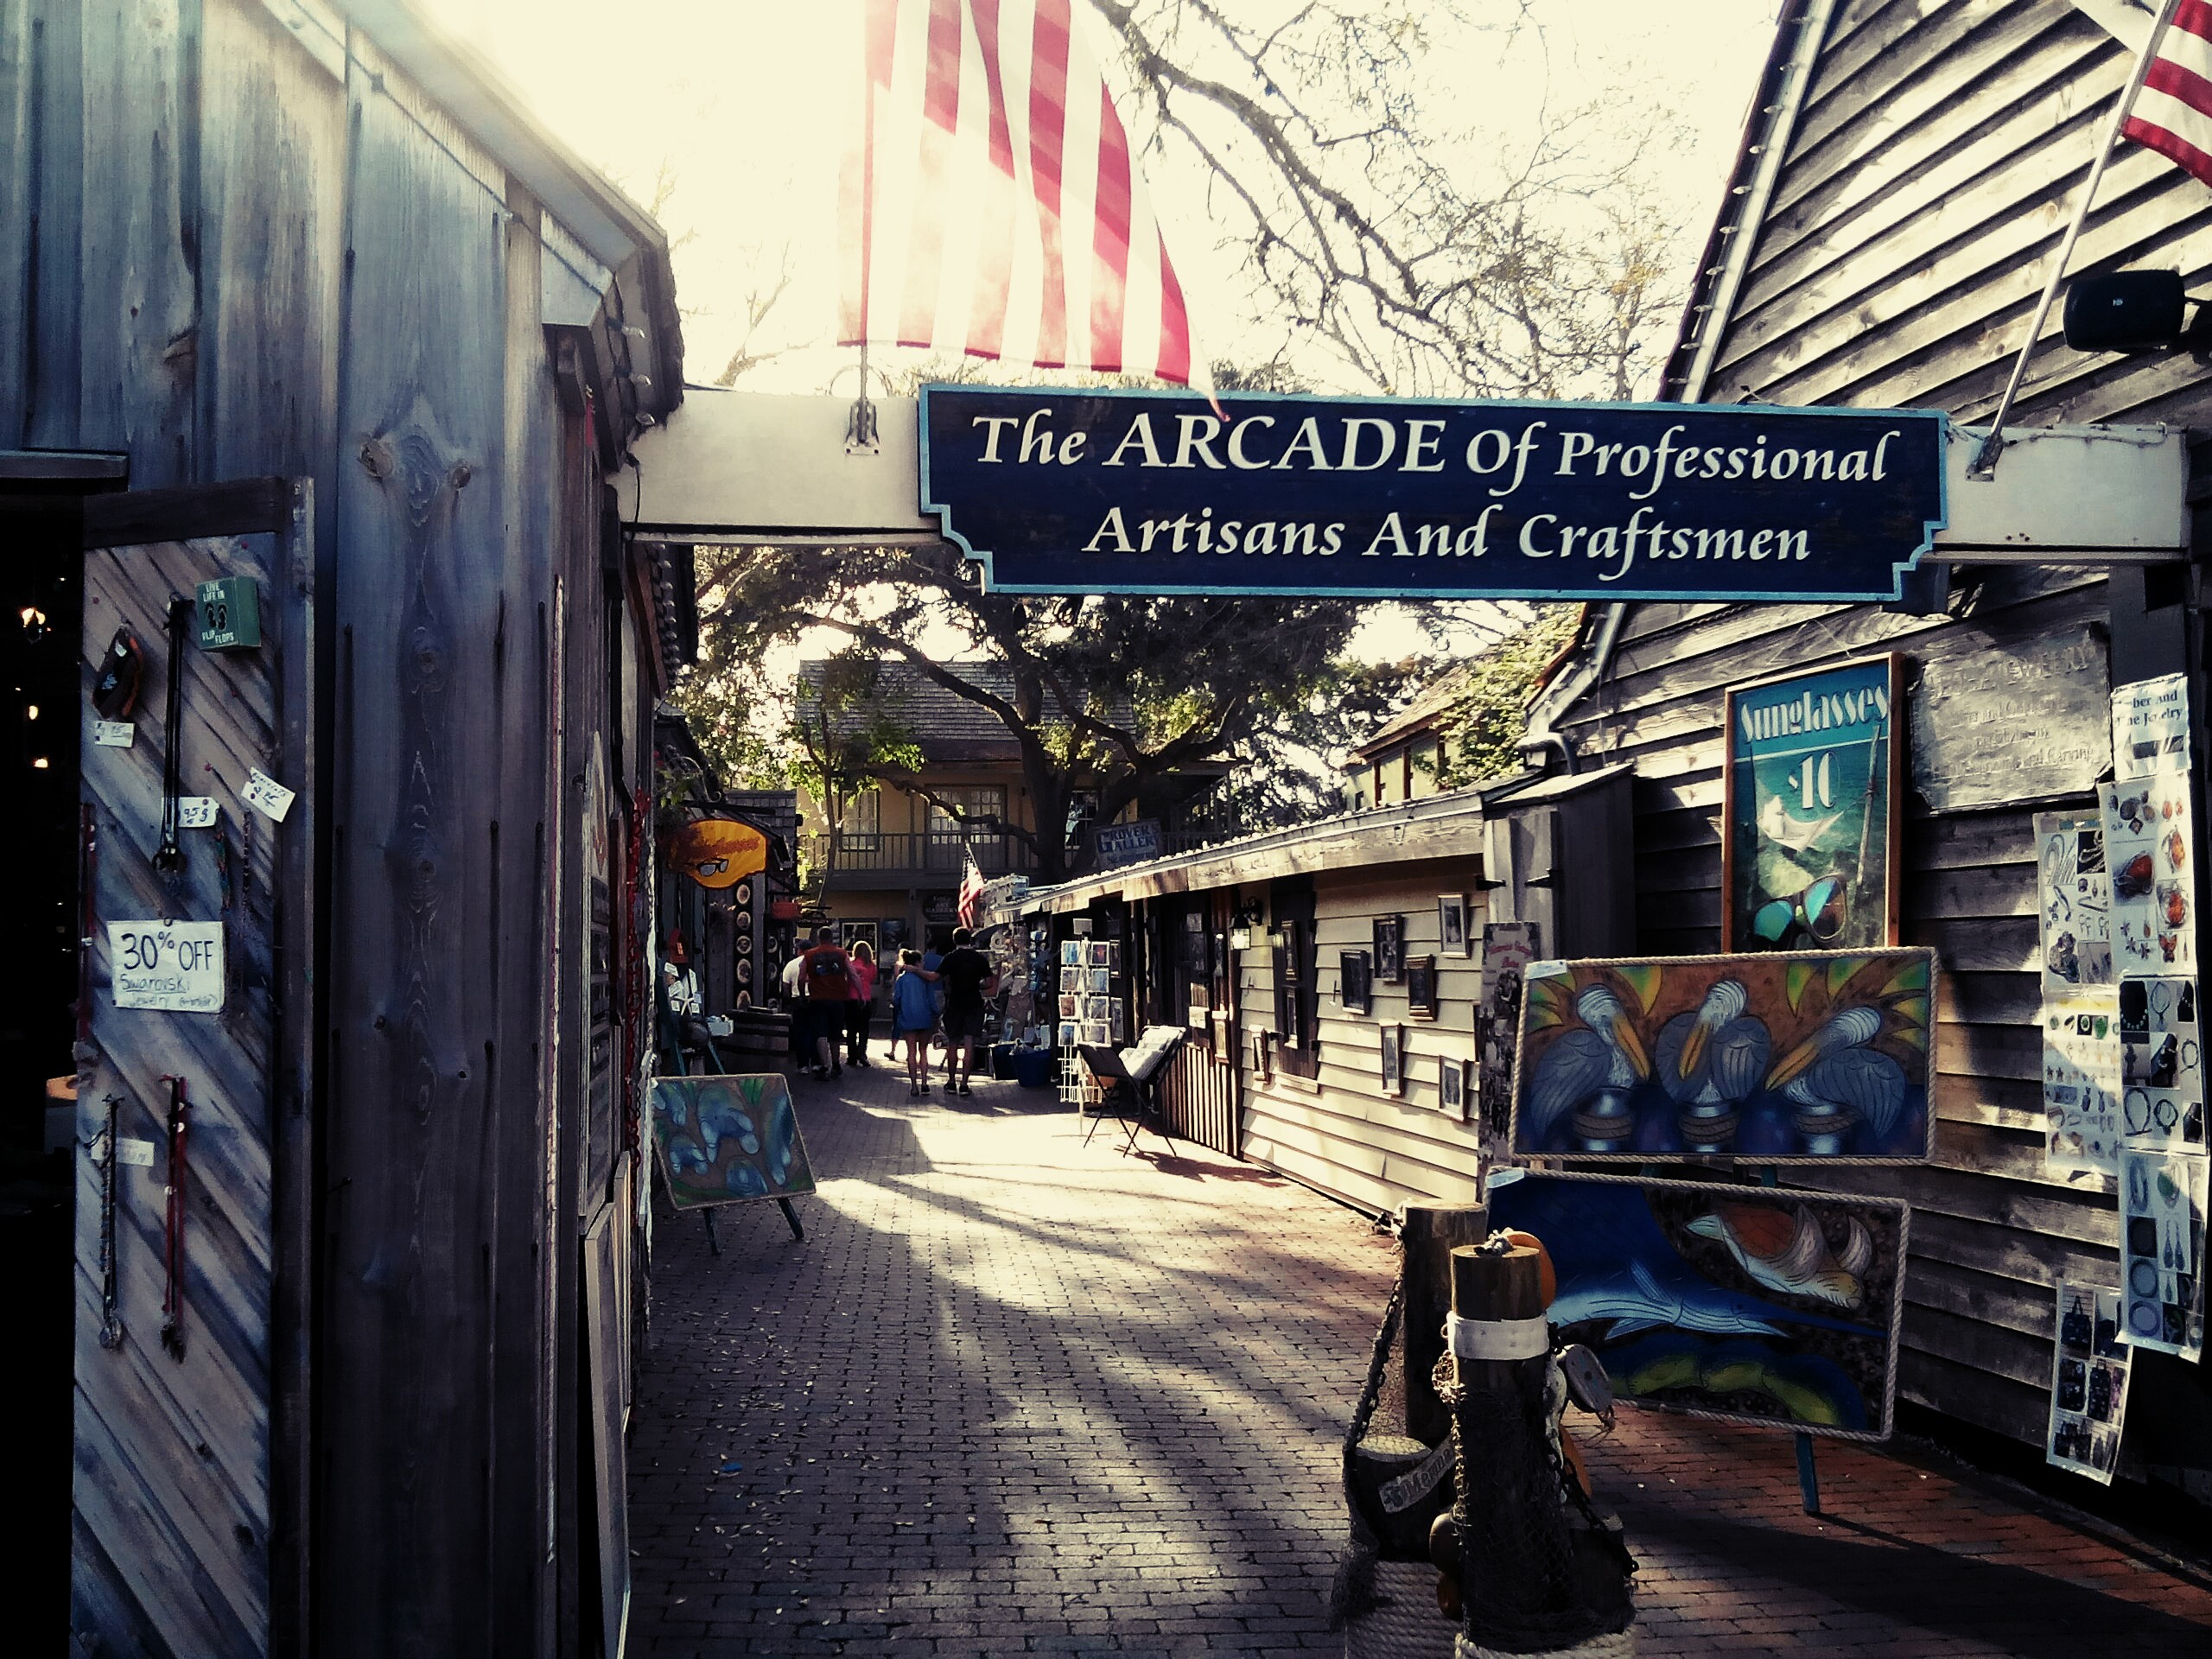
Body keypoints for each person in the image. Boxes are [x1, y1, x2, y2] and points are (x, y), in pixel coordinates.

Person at [936, 925, 997, 1096]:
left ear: (954, 940)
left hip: (955, 1003)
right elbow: (989, 983)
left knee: (953, 1043)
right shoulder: (979, 958)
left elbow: (936, 976)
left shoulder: (950, 958)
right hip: (974, 1003)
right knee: (969, 1043)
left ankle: (951, 1082)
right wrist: (977, 985)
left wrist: (917, 971)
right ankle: (964, 1084)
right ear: (969, 940)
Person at [798, 925, 855, 1081]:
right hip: (838, 998)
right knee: (835, 1034)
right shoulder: (841, 953)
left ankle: (824, 1065)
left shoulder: (809, 955)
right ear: (831, 938)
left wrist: (803, 995)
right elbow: (852, 973)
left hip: (818, 998)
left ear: (819, 938)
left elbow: (801, 978)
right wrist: (860, 993)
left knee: (821, 1033)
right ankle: (836, 1064)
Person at [890, 949, 939, 1097]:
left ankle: (913, 1086)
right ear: (918, 963)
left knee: (911, 1052)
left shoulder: (901, 979)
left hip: (907, 1018)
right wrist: (936, 1013)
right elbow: (932, 1000)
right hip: (924, 1017)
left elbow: (896, 1000)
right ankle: (924, 1083)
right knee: (923, 1051)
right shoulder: (925, 979)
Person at [845, 939, 878, 1068]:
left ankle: (852, 1057)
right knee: (864, 1028)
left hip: (851, 999)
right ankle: (862, 1052)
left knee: (851, 1029)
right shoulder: (872, 966)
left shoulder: (851, 964)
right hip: (866, 999)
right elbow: (872, 979)